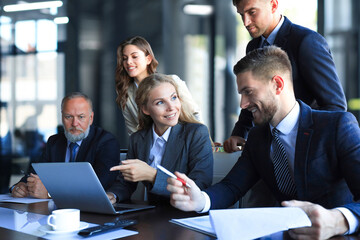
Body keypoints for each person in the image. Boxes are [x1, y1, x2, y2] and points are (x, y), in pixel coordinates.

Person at [167, 46, 360, 239]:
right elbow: (232, 186)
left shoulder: (337, 126)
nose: (243, 104)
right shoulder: (258, 138)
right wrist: (200, 200)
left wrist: (338, 220)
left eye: (248, 92)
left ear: (277, 84)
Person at [223, 0, 347, 153]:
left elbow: (335, 106)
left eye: (252, 12)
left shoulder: (306, 42)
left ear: (273, 5)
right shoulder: (253, 46)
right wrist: (239, 133)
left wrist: (308, 147)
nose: (246, 22)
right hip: (269, 152)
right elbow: (252, 94)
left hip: (305, 150)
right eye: (241, 14)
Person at [107, 73, 213, 204]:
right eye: (160, 102)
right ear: (145, 109)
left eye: (174, 98)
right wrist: (113, 195)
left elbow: (199, 187)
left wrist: (152, 175)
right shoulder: (138, 139)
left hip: (185, 216)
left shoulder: (196, 133)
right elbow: (126, 182)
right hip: (153, 215)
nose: (171, 107)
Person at [10, 92, 120, 199]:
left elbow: (99, 186)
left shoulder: (106, 142)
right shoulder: (54, 142)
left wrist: (50, 193)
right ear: (62, 117)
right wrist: (20, 187)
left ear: (91, 118)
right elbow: (34, 173)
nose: (74, 123)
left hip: (92, 212)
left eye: (81, 117)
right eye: (69, 117)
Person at [115, 36, 201, 135]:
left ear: (148, 59)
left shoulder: (173, 81)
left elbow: (194, 114)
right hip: (151, 147)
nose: (128, 62)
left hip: (183, 142)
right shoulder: (125, 94)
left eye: (134, 57)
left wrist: (203, 141)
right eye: (125, 58)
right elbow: (133, 132)